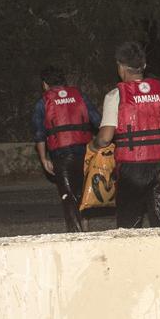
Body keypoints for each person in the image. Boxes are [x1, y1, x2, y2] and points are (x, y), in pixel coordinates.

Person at [93, 41, 160, 228]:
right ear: (144, 66)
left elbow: (105, 138)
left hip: (132, 170)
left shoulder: (115, 96)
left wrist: (93, 145)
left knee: (129, 227)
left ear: (120, 67)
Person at [31, 68, 101, 232]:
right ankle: (85, 225)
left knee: (68, 195)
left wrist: (43, 159)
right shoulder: (80, 96)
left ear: (45, 84)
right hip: (85, 151)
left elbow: (39, 134)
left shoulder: (43, 102)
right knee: (83, 191)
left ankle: (76, 233)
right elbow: (98, 121)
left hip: (61, 155)